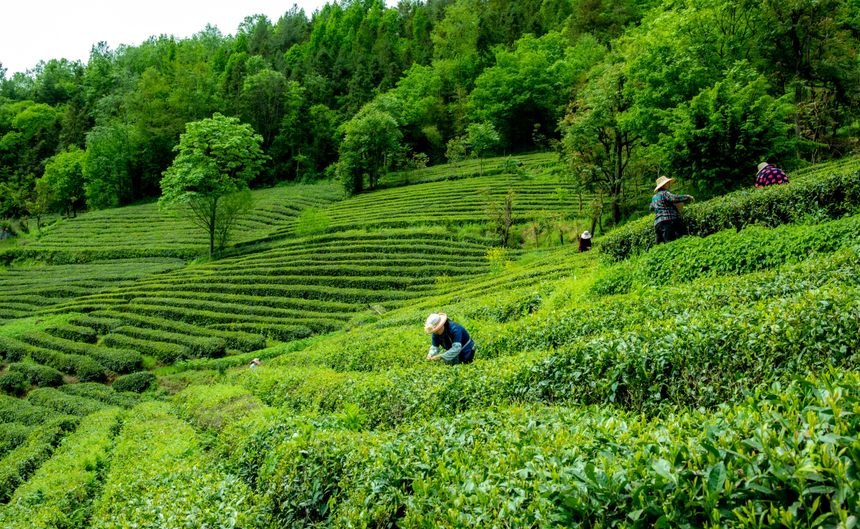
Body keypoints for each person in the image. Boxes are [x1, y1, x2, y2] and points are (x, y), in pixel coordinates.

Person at [650, 176, 694, 245]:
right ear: (663, 185)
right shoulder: (665, 193)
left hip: (658, 225)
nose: (669, 185)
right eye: (667, 183)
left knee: (659, 248)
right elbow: (674, 198)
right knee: (669, 244)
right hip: (667, 222)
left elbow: (651, 207)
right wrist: (687, 197)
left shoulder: (654, 197)